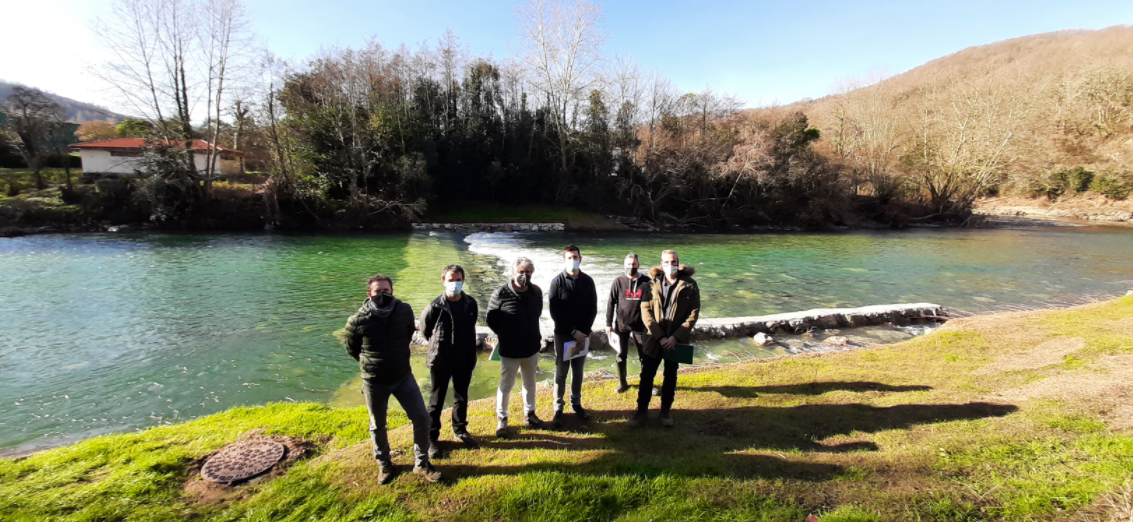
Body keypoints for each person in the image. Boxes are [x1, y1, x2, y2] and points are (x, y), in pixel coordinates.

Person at [344, 275, 441, 484]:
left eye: (386, 291)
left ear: (392, 291)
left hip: (402, 375)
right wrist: (372, 363)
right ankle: (384, 464)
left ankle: (421, 463)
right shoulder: (358, 319)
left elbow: (407, 336)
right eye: (378, 292)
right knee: (377, 424)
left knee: (422, 418)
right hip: (374, 380)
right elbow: (352, 349)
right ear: (369, 294)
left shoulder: (404, 310)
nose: (382, 295)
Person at [630, 250, 700, 428]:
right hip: (653, 340)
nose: (671, 265)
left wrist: (675, 337)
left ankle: (665, 412)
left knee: (671, 376)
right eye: (667, 262)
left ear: (678, 262)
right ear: (661, 264)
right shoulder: (650, 285)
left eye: (674, 261)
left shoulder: (690, 285)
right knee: (646, 375)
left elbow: (693, 315)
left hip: (676, 341)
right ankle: (641, 412)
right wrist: (660, 337)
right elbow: (646, 314)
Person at [419, 264, 480, 459]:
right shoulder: (434, 306)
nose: (455, 283)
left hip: (465, 357)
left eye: (458, 279)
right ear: (443, 281)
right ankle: (431, 438)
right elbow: (425, 331)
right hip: (441, 359)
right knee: (436, 401)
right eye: (451, 279)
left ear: (463, 281)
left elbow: (472, 325)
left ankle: (460, 430)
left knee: (461, 397)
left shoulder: (471, 303)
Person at [486, 257, 545, 437]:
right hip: (510, 349)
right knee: (506, 384)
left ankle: (530, 414)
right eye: (521, 272)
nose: (524, 275)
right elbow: (491, 319)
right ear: (513, 273)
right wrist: (506, 334)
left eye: (528, 272)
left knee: (530, 382)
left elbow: (537, 313)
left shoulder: (536, 292)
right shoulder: (501, 293)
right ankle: (502, 419)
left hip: (531, 346)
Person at [548, 244, 598, 428]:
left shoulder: (588, 281)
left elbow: (592, 309)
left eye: (575, 257)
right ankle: (558, 407)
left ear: (580, 259)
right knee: (561, 372)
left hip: (583, 335)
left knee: (578, 371)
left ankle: (576, 403)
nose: (573, 260)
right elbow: (555, 312)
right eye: (569, 257)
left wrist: (584, 332)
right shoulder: (557, 282)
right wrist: (572, 331)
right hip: (563, 334)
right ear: (564, 259)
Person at [605, 253, 651, 393]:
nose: (631, 266)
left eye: (634, 264)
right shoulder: (618, 281)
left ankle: (647, 384)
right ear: (625, 265)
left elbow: (653, 304)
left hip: (640, 326)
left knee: (645, 356)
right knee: (620, 355)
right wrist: (608, 324)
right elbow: (611, 303)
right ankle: (622, 383)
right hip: (621, 325)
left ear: (638, 264)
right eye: (629, 264)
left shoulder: (646, 281)